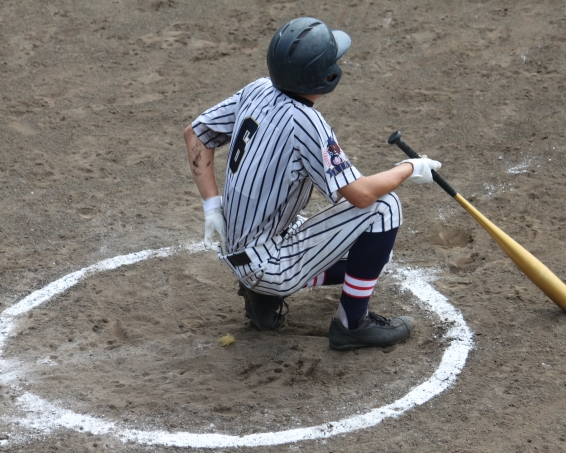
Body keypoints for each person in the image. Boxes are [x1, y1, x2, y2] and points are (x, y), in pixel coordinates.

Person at [184, 17, 441, 350]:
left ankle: (263, 295)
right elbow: (362, 195)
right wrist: (409, 168)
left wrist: (212, 207)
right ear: (326, 77)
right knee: (383, 212)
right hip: (266, 261)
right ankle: (351, 326)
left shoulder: (257, 89)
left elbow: (196, 134)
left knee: (374, 252)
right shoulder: (306, 123)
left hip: (239, 243)